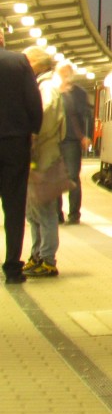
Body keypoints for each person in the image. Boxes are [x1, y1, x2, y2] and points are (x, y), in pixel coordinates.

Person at [0, 34, 42, 284]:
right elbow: (34, 101)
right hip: (15, 143)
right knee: (14, 207)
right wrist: (33, 131)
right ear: (2, 40)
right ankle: (13, 269)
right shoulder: (19, 62)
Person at [23, 46, 63, 278]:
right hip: (39, 157)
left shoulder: (47, 87)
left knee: (44, 211)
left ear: (38, 63)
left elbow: (45, 113)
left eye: (27, 61)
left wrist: (32, 134)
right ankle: (37, 254)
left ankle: (47, 259)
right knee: (34, 211)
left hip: (44, 157)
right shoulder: (42, 85)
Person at [56, 63, 90, 224]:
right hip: (54, 139)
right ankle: (57, 214)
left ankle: (74, 214)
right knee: (55, 177)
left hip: (71, 139)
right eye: (61, 72)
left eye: (65, 72)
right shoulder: (54, 92)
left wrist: (86, 136)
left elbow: (86, 115)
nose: (63, 75)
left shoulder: (79, 93)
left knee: (72, 177)